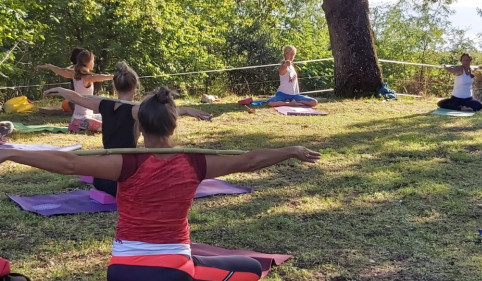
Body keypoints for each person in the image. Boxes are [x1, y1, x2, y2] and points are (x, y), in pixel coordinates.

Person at [1, 86, 321, 281]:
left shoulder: (126, 162)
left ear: (139, 124)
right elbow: (250, 159)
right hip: (174, 271)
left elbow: (67, 163)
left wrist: (13, 153)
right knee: (251, 268)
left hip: (121, 271)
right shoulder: (196, 162)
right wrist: (290, 150)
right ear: (174, 124)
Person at [44, 61, 211, 196]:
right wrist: (187, 110)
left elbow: (77, 97)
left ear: (116, 86)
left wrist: (59, 89)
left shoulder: (104, 104)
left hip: (102, 178)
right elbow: (162, 113)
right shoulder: (136, 109)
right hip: (124, 177)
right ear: (135, 86)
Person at [39, 49, 114, 131]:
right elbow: (100, 77)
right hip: (80, 119)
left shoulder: (74, 74)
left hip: (89, 115)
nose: (93, 63)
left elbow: (61, 71)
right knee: (110, 126)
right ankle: (76, 125)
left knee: (113, 117)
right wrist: (113, 77)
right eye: (93, 61)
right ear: (88, 62)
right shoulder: (87, 78)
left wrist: (50, 66)